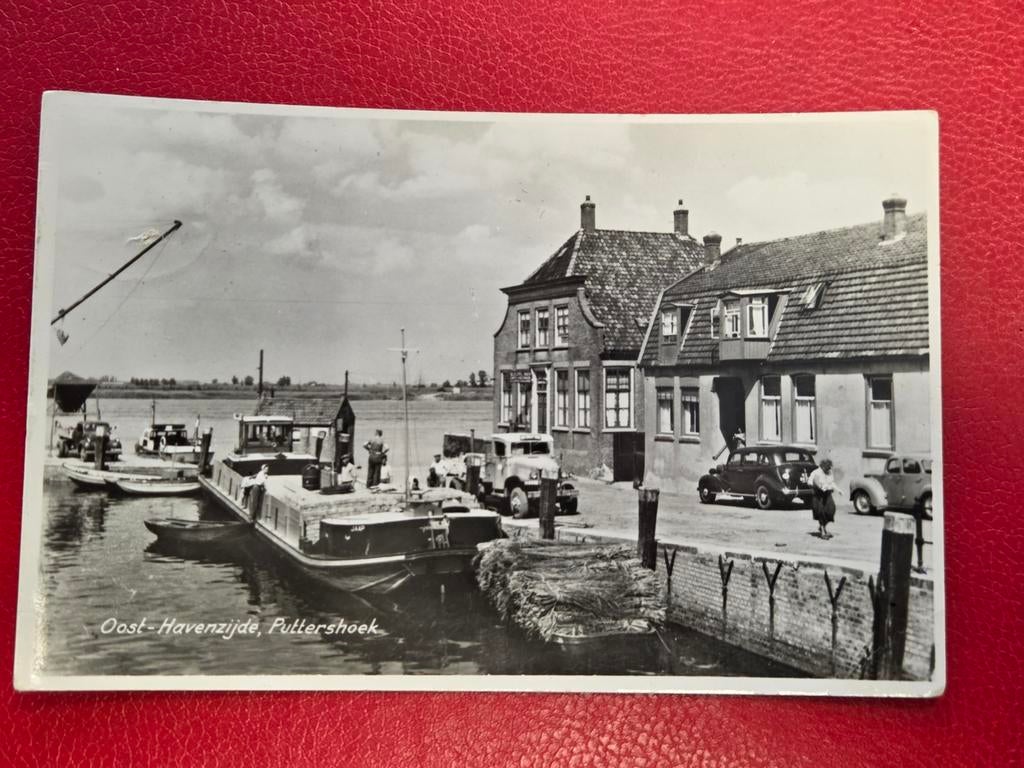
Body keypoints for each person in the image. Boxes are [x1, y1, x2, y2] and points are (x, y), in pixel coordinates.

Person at [809, 459, 840, 538]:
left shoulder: (829, 472)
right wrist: (818, 486)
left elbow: (832, 482)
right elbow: (810, 482)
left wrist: (837, 489)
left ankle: (822, 527)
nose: (829, 469)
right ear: (823, 466)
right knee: (821, 512)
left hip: (828, 494)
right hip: (819, 496)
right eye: (828, 467)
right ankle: (823, 531)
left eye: (830, 467)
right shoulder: (816, 472)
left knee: (831, 510)